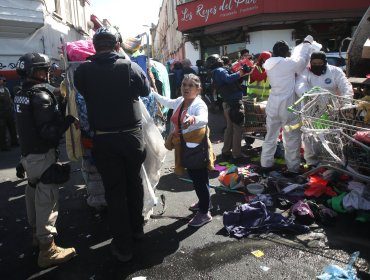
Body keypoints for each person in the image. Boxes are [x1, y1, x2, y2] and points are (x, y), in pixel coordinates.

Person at [74, 26, 150, 262]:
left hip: (104, 138)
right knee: (134, 184)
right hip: (131, 137)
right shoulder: (130, 66)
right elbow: (145, 91)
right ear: (117, 45)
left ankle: (123, 246)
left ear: (96, 47)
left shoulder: (84, 70)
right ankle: (137, 230)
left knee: (114, 192)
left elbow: (83, 91)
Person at [14, 52, 78, 268]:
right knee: (46, 197)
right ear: (35, 72)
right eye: (44, 70)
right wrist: (67, 120)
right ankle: (47, 249)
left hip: (28, 155)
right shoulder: (41, 96)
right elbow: (49, 132)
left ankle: (36, 235)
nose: (47, 73)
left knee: (32, 190)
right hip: (41, 155)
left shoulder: (20, 93)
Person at [152, 73, 216, 227]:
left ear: (198, 89)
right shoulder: (181, 101)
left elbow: (204, 118)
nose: (186, 88)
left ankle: (205, 212)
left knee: (199, 179)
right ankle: (205, 202)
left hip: (196, 148)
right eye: (184, 85)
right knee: (198, 178)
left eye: (190, 86)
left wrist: (194, 119)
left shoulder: (199, 104)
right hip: (186, 146)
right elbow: (168, 102)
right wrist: (153, 93)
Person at [260, 36, 319, 175]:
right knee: (291, 137)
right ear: (286, 52)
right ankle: (293, 168)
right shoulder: (288, 64)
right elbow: (303, 61)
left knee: (270, 136)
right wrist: (305, 44)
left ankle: (266, 164)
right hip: (288, 106)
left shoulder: (268, 64)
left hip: (273, 104)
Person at [295, 51, 354, 167]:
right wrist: (309, 94)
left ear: (325, 62)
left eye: (320, 63)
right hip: (311, 109)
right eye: (314, 63)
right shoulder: (305, 72)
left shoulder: (334, 71)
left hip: (331, 109)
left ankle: (332, 161)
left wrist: (346, 102)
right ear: (310, 63)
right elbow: (299, 86)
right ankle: (311, 162)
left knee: (331, 135)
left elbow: (345, 86)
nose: (317, 65)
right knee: (310, 136)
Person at [206, 54, 252, 161]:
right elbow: (228, 79)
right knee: (238, 129)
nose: (221, 60)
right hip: (234, 103)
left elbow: (231, 81)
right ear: (217, 62)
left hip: (228, 103)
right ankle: (237, 154)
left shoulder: (216, 72)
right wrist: (240, 72)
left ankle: (226, 151)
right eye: (219, 59)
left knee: (230, 128)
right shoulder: (220, 71)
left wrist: (241, 72)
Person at [0, 76, 18, 150]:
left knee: (12, 128)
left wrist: (12, 107)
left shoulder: (6, 89)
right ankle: (3, 146)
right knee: (2, 130)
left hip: (9, 112)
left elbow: (10, 99)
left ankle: (14, 142)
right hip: (1, 114)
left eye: (5, 80)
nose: (4, 81)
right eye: (2, 80)